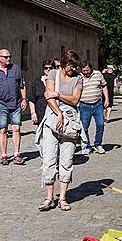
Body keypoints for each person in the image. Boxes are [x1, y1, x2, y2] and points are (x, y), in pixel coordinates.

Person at [39, 50, 83, 212]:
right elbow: (48, 96)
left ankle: (63, 198)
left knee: (66, 160)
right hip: (52, 120)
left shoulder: (78, 79)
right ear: (64, 63)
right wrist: (59, 113)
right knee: (49, 160)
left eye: (75, 66)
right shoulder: (53, 74)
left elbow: (75, 99)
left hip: (70, 123)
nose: (73, 69)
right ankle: (49, 198)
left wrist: (58, 94)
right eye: (71, 65)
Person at [0, 48, 27, 165]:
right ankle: (4, 155)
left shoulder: (16, 69)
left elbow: (22, 85)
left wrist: (24, 99)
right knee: (3, 129)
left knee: (16, 128)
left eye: (9, 57)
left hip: (15, 103)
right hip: (1, 104)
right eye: (6, 57)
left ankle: (17, 154)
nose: (8, 59)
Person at [79, 60, 110, 155]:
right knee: (84, 127)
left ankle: (97, 144)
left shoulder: (98, 74)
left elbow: (104, 86)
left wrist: (107, 99)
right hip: (84, 105)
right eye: (84, 70)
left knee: (100, 124)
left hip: (97, 104)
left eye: (87, 70)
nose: (85, 72)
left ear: (91, 68)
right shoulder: (79, 77)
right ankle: (86, 145)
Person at [29, 59, 55, 157]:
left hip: (53, 112)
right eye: (46, 68)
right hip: (41, 112)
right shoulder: (37, 82)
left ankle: (52, 156)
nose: (48, 70)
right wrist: (33, 113)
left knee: (53, 135)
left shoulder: (57, 81)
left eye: (50, 68)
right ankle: (44, 156)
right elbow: (32, 98)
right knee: (42, 136)